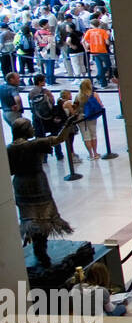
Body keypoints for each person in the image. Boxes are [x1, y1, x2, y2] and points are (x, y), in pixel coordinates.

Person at [7, 113, 80, 266]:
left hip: (20, 184)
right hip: (37, 183)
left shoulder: (9, 148)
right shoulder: (34, 144)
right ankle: (40, 251)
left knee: (30, 218)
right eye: (31, 127)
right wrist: (67, 125)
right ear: (25, 130)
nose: (33, 129)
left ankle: (38, 249)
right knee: (43, 217)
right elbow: (59, 139)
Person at [73, 79, 106, 160]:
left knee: (86, 137)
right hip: (91, 117)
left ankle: (90, 154)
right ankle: (95, 153)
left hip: (81, 118)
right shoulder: (94, 94)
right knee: (93, 135)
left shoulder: (78, 96)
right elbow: (100, 105)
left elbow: (75, 108)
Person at [83, 19, 112, 87]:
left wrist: (86, 49)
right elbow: (107, 42)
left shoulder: (89, 31)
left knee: (99, 67)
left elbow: (83, 41)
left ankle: (103, 83)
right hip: (102, 51)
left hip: (94, 51)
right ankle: (99, 77)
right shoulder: (103, 31)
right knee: (108, 65)